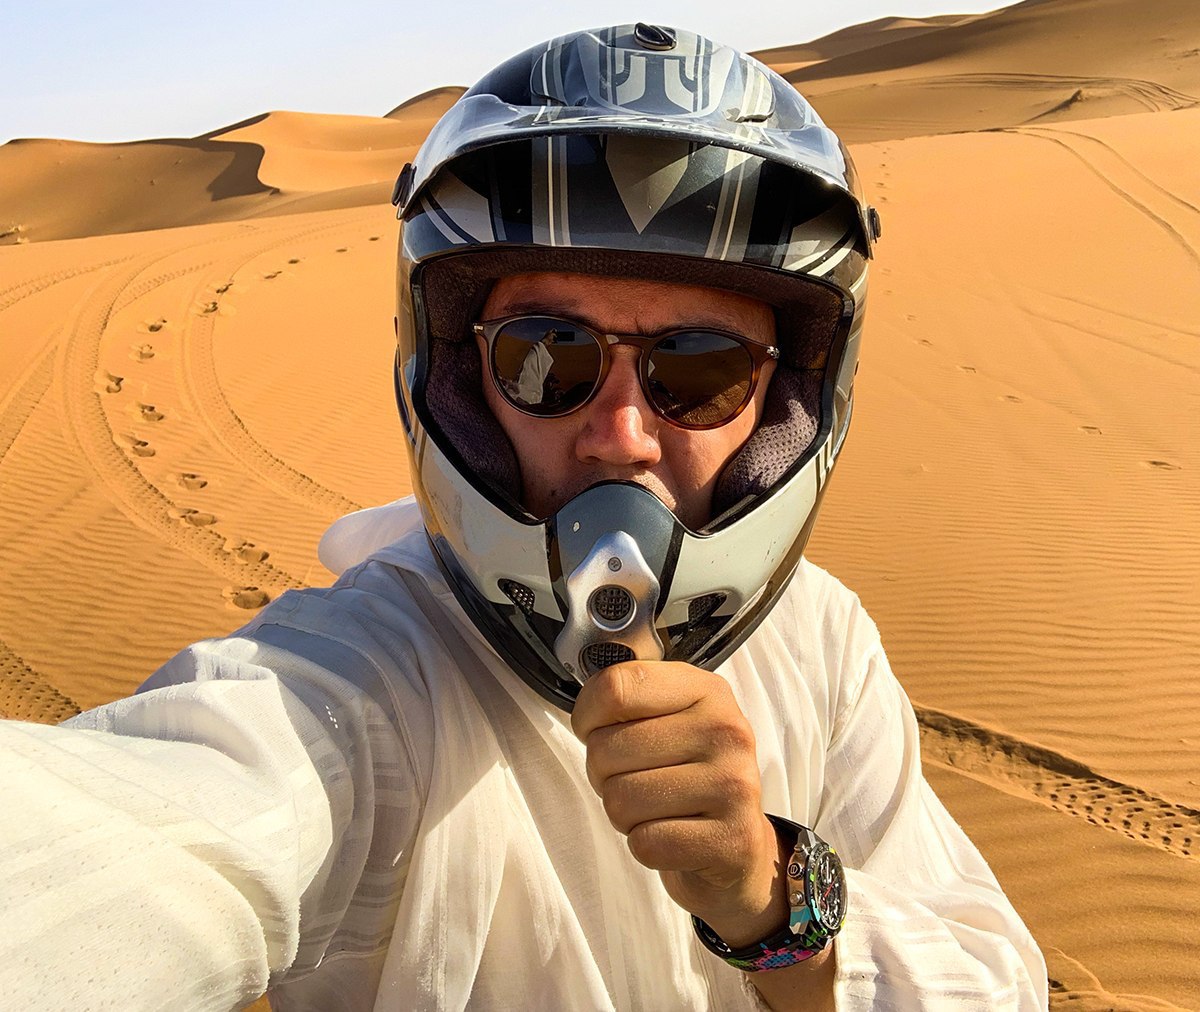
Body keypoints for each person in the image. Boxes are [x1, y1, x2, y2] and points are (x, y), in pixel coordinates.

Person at [0, 24, 1048, 1011]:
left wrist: (776, 904)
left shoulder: (822, 638)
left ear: (784, 407)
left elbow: (990, 977)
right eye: (546, 357)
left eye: (703, 368)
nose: (622, 436)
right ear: (461, 383)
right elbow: (139, 835)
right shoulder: (362, 683)